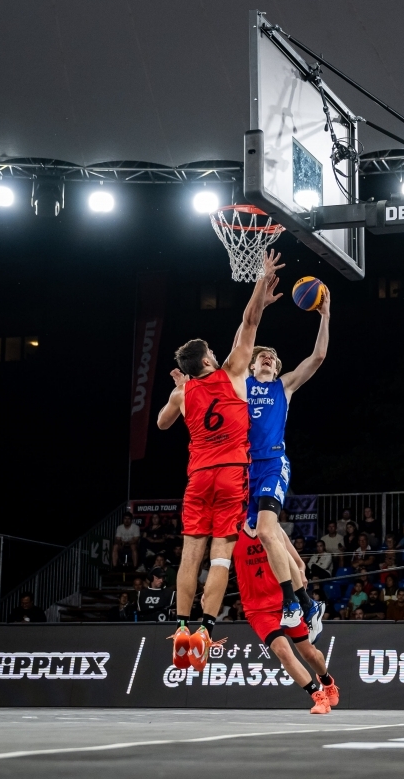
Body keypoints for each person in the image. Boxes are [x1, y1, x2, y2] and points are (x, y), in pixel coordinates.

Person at [157, 249, 284, 669]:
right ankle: (205, 630)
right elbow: (249, 324)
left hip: (197, 478)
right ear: (209, 360)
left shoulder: (183, 391)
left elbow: (160, 424)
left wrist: (179, 388)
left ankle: (179, 625)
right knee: (220, 557)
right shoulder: (230, 372)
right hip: (232, 474)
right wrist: (261, 286)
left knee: (189, 554)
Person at [242, 275, 332, 636]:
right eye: (262, 356)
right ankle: (309, 604)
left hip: (273, 464)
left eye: (273, 358)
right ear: (251, 365)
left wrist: (325, 315)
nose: (267, 359)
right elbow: (245, 331)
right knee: (267, 535)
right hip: (244, 472)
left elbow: (319, 356)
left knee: (265, 530)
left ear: (277, 369)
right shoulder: (238, 385)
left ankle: (292, 603)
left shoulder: (284, 386)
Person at [232, 521, 339, 714]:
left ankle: (326, 680)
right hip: (257, 609)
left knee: (310, 654)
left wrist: (300, 576)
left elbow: (298, 562)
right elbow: (220, 564)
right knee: (282, 651)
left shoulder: (271, 526)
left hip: (285, 604)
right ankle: (318, 697)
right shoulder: (233, 531)